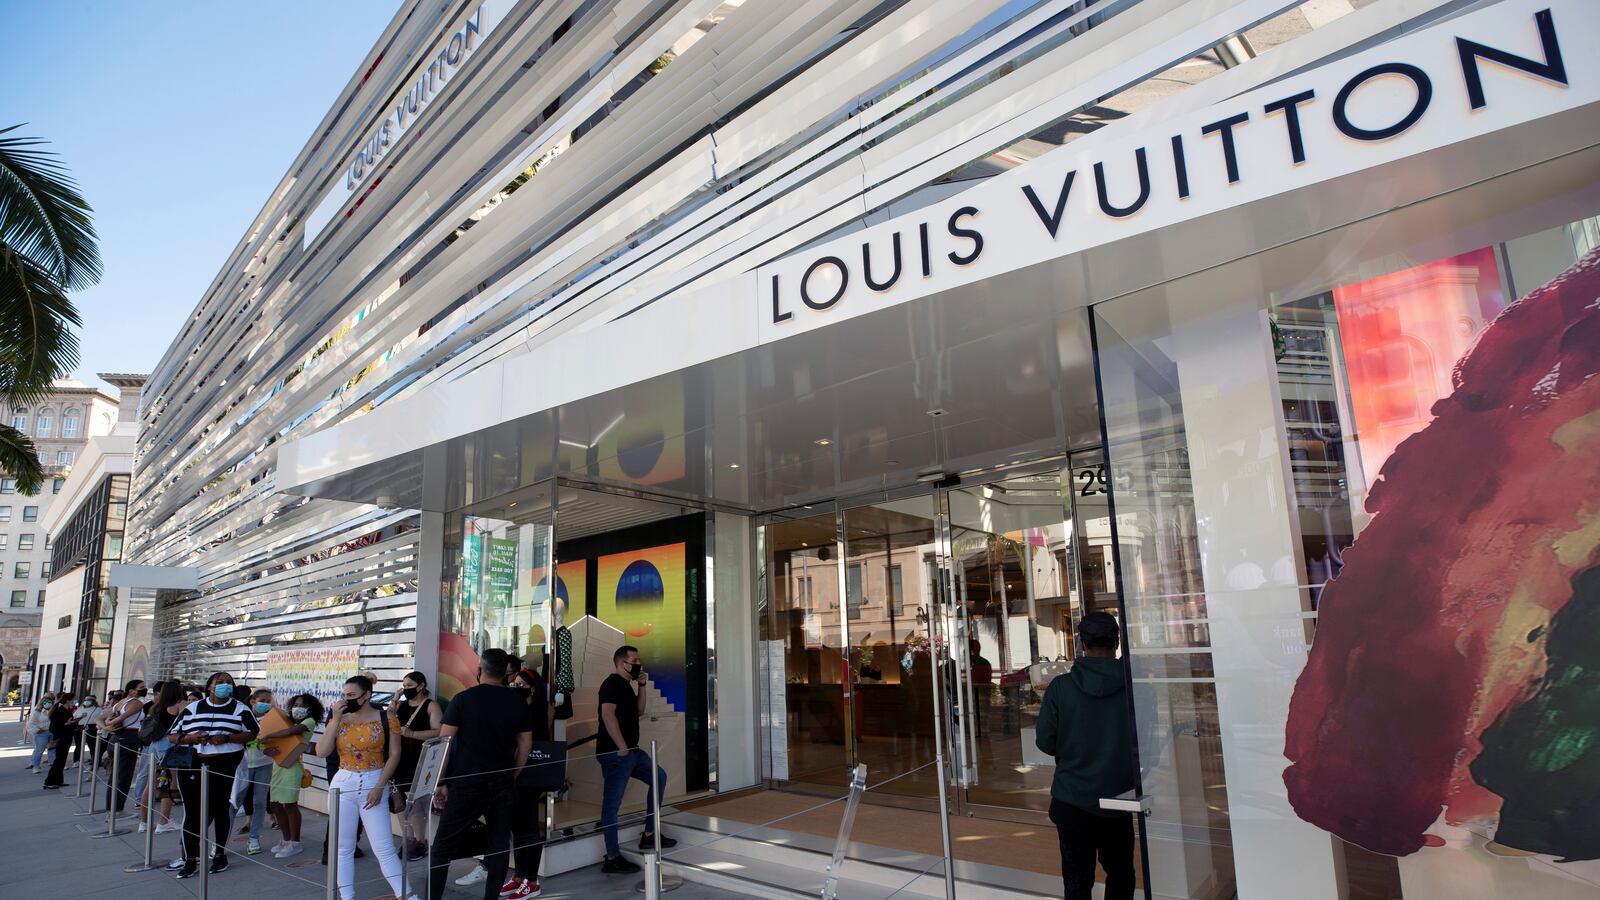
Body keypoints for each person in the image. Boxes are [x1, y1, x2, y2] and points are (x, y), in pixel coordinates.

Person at [1035, 612, 1138, 900]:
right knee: (1121, 877)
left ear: (1082, 644)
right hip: (1120, 800)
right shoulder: (1135, 688)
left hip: (1072, 800)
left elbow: (1045, 741)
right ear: (1116, 643)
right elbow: (1147, 747)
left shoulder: (1060, 688)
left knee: (1077, 883)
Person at [427, 648, 532, 900]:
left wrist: (440, 782)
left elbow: (444, 742)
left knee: (442, 846)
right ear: (506, 673)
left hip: (466, 783)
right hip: (502, 782)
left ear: (479, 670)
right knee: (498, 846)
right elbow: (525, 745)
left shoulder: (463, 700)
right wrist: (513, 774)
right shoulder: (517, 701)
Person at [314, 675, 408, 900]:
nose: (347, 700)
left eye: (352, 695)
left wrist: (379, 786)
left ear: (367, 695)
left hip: (374, 777)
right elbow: (321, 751)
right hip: (343, 780)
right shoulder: (339, 718)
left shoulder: (386, 717)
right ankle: (347, 896)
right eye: (344, 695)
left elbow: (395, 754)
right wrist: (335, 720)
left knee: (383, 846)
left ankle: (406, 893)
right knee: (342, 847)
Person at [168, 671, 260, 879]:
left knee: (221, 810)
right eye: (220, 682)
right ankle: (190, 859)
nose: (225, 686)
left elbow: (253, 732)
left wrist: (227, 737)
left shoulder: (241, 709)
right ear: (209, 686)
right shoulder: (192, 708)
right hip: (193, 764)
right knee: (192, 812)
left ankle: (219, 854)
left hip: (225, 764)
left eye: (229, 682)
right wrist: (191, 738)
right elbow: (172, 736)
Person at [597, 645, 675, 875]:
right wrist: (621, 745)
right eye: (635, 660)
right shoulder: (611, 684)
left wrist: (642, 685)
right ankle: (612, 857)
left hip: (632, 752)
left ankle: (650, 834)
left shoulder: (626, 686)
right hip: (616, 754)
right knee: (612, 806)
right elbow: (607, 714)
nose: (638, 663)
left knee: (659, 776)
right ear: (623, 663)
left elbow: (639, 711)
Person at [502, 666, 555, 899]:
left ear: (533, 689)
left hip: (529, 776)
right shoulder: (519, 708)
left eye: (522, 684)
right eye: (515, 683)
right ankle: (519, 875)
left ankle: (531, 881)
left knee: (529, 827)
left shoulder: (538, 711)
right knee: (517, 827)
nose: (517, 687)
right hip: (515, 774)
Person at [262, 692, 322, 858]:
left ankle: (295, 843)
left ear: (311, 708)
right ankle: (286, 840)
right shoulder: (287, 722)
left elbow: (292, 732)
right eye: (295, 705)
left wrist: (270, 735)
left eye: (302, 705)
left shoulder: (308, 722)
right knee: (275, 805)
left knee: (289, 805)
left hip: (292, 766)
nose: (298, 708)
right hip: (278, 766)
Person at [391, 670, 442, 860]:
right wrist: (396, 699)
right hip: (399, 757)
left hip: (419, 758)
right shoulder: (402, 705)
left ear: (421, 686)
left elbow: (439, 731)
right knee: (400, 802)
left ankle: (420, 842)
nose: (406, 690)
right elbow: (388, 719)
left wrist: (412, 734)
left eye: (410, 686)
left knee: (416, 803)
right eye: (404, 686)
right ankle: (408, 839)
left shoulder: (431, 705)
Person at [231, 688, 277, 854]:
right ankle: (220, 842)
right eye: (262, 700)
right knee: (234, 802)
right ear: (252, 701)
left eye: (268, 701)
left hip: (264, 764)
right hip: (241, 765)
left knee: (259, 802)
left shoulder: (272, 718)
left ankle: (254, 838)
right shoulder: (242, 715)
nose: (265, 704)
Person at [136, 681, 185, 834]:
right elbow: (187, 722)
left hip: (154, 747)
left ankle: (143, 822)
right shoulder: (179, 705)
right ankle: (163, 822)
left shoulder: (155, 707)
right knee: (170, 785)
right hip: (170, 747)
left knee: (150, 785)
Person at [101, 678, 148, 812]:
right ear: (132, 690)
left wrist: (106, 727)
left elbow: (99, 719)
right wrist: (109, 725)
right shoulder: (136, 703)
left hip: (117, 738)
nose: (144, 689)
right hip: (128, 738)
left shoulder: (119, 703)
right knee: (123, 776)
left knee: (115, 775)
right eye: (141, 687)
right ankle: (117, 809)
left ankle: (112, 807)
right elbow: (120, 718)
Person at [42, 692, 76, 788]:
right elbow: (54, 727)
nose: (74, 702)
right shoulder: (59, 710)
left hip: (67, 737)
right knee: (59, 760)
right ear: (68, 700)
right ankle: (50, 782)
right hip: (61, 738)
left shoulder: (67, 709)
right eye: (73, 700)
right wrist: (66, 724)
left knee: (62, 760)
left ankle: (58, 780)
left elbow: (69, 722)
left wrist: (74, 722)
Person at [24, 694, 53, 771]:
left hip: (52, 732)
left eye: (50, 701)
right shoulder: (37, 712)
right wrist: (37, 730)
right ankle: (36, 766)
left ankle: (53, 764)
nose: (48, 703)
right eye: (46, 701)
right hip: (41, 733)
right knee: (39, 750)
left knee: (52, 749)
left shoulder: (54, 710)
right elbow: (31, 723)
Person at [70, 694, 98, 764]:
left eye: (89, 700)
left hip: (92, 727)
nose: (87, 701)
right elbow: (74, 717)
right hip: (79, 727)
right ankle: (76, 760)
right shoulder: (79, 709)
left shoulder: (98, 709)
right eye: (86, 700)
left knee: (92, 745)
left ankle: (93, 759)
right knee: (78, 745)